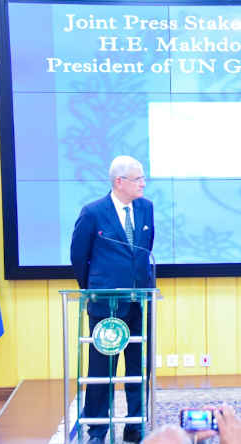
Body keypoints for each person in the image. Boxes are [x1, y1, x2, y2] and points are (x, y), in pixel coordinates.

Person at [70, 155, 155, 444]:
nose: (144, 183)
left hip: (136, 302)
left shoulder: (146, 208)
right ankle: (97, 429)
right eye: (138, 178)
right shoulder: (93, 212)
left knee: (136, 366)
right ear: (119, 182)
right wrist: (93, 289)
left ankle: (134, 426)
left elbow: (144, 251)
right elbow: (79, 257)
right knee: (102, 368)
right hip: (106, 304)